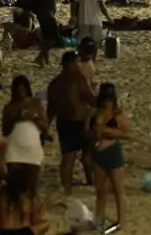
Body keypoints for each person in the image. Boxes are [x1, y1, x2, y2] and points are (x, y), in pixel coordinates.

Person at [47, 51, 95, 195]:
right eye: (78, 62)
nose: (80, 65)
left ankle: (67, 189)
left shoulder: (54, 84)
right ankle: (90, 181)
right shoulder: (79, 79)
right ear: (71, 64)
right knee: (88, 154)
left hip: (64, 123)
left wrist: (46, 127)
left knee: (68, 158)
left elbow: (51, 109)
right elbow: (91, 99)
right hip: (81, 122)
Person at [89, 83, 128, 229]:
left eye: (110, 98)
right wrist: (95, 133)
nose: (108, 102)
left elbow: (126, 132)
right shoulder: (93, 113)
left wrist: (110, 132)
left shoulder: (118, 115)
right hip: (98, 154)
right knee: (100, 189)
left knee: (118, 189)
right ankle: (99, 219)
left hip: (113, 153)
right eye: (106, 98)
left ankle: (121, 220)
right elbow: (86, 132)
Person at [2, 75, 47, 195]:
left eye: (23, 90)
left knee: (32, 185)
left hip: (33, 150)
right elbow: (5, 131)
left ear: (28, 89)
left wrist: (33, 119)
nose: (21, 93)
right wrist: (16, 118)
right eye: (18, 90)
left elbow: (45, 128)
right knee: (15, 187)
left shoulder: (36, 104)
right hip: (14, 151)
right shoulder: (9, 107)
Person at [0, 166, 46, 235]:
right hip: (24, 231)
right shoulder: (30, 198)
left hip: (4, 231)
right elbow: (37, 220)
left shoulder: (2, 195)